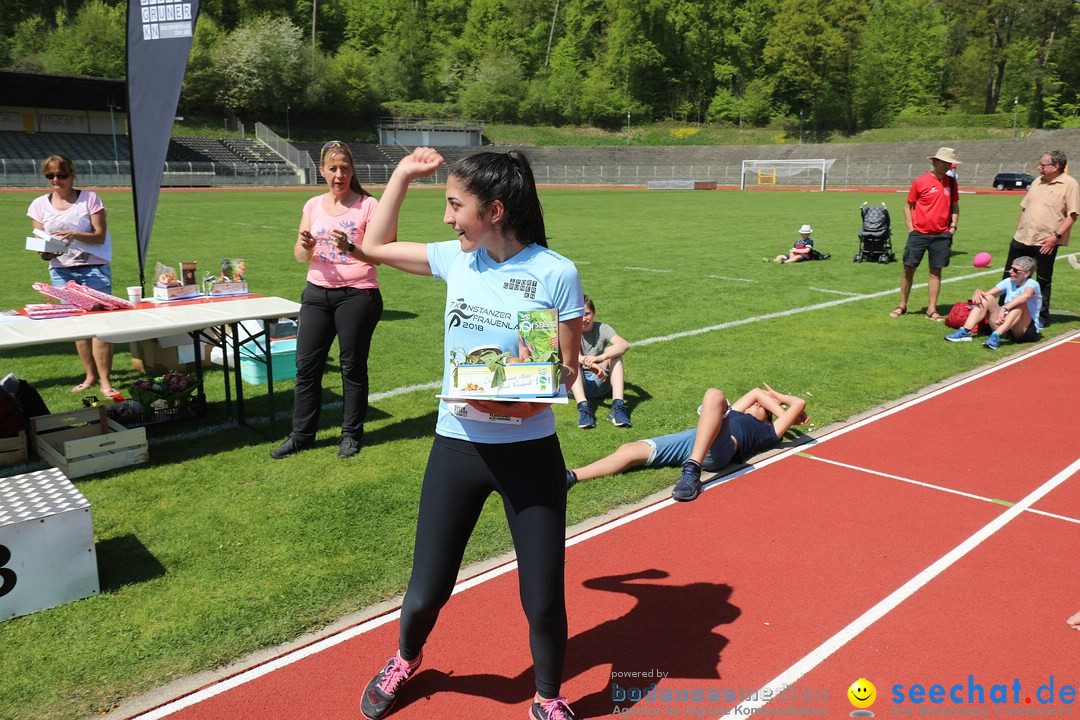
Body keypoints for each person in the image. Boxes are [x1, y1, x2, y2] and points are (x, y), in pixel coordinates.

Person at [357, 147, 584, 720]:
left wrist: (512, 403)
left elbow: (565, 369)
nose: (448, 217)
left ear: (496, 210)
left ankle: (548, 697)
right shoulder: (458, 259)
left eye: (456, 205)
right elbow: (374, 246)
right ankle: (405, 658)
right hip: (457, 446)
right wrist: (405, 174)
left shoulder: (554, 273)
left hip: (529, 453)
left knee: (542, 597)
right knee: (428, 587)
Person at [270, 141, 382, 460]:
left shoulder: (368, 206)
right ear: (322, 171)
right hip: (317, 293)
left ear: (352, 170)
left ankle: (350, 435)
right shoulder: (312, 206)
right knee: (306, 367)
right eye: (332, 168)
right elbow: (299, 255)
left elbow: (378, 257)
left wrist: (349, 247)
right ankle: (301, 436)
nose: (339, 174)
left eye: (344, 168)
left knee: (352, 367)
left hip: (358, 295)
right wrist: (305, 244)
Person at [566, 383, 808, 502]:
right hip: (696, 436)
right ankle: (571, 476)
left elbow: (799, 405)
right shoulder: (740, 413)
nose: (757, 403)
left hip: (720, 449)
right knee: (629, 450)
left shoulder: (767, 430)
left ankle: (692, 471)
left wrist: (779, 400)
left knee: (714, 395)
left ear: (767, 417)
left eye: (762, 407)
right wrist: (771, 399)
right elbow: (756, 391)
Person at [26, 154, 116, 396]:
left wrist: (73, 234)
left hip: (93, 267)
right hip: (61, 271)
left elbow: (99, 235)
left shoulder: (89, 199)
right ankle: (89, 377)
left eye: (61, 175)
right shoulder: (38, 205)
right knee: (77, 324)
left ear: (72, 174)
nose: (56, 180)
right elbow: (42, 249)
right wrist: (46, 252)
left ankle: (106, 381)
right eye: (50, 176)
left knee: (101, 324)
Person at [1000, 150, 1079, 328]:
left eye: (1043, 165)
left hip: (1045, 241)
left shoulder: (1070, 184)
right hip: (1022, 238)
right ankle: (1001, 311)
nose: (1039, 168)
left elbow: (1072, 215)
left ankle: (1041, 318)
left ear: (1056, 167)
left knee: (1042, 280)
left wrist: (1056, 237)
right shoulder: (1037, 181)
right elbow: (1025, 207)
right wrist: (1018, 230)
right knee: (1009, 275)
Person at [892, 147, 960, 321]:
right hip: (919, 234)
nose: (946, 166)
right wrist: (911, 228)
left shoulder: (951, 183)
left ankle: (931, 309)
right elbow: (908, 206)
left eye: (948, 163)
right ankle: (902, 305)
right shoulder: (921, 181)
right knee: (908, 269)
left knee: (935, 271)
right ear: (934, 162)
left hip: (941, 234)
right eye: (943, 162)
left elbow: (955, 206)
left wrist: (952, 226)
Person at [944, 256, 1041, 349]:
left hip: (1024, 331)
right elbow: (986, 295)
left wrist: (1005, 308)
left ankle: (996, 336)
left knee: (1020, 304)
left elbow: (1026, 296)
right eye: (1011, 268)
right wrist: (978, 291)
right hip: (1005, 326)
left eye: (1015, 270)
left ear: (1026, 274)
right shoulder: (1008, 281)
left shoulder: (1032, 284)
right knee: (987, 298)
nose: (1010, 272)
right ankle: (965, 331)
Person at [572, 294, 631, 429]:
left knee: (616, 353)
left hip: (600, 379)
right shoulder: (570, 330)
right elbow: (569, 355)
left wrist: (601, 358)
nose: (583, 319)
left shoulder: (602, 328)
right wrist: (592, 365)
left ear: (594, 313)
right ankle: (584, 408)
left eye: (587, 314)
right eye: (578, 314)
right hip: (577, 383)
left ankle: (618, 406)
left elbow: (624, 344)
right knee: (572, 361)